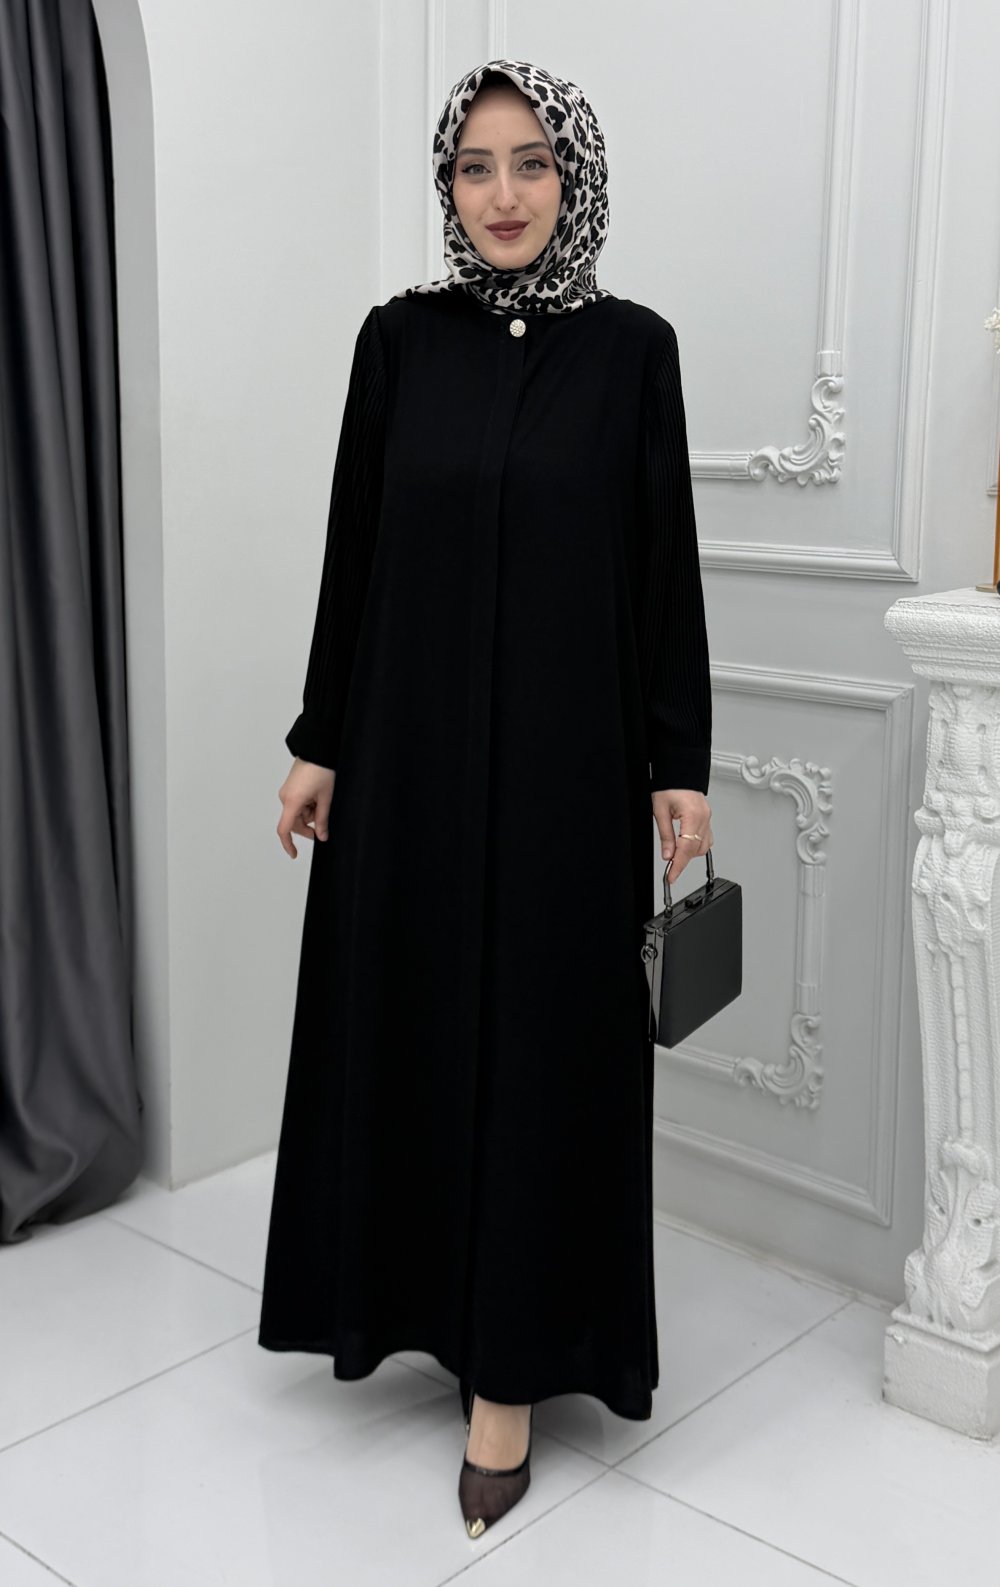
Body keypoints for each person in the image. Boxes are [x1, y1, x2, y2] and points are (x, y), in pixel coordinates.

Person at [257, 57, 714, 1538]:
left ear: (574, 177)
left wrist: (680, 764)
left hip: (572, 773)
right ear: (446, 185)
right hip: (410, 758)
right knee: (411, 1020)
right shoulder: (400, 343)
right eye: (474, 166)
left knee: (543, 1049)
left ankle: (509, 1377)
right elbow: (355, 551)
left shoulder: (632, 352)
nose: (503, 194)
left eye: (531, 163)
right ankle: (407, 1303)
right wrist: (322, 738)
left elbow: (662, 571)